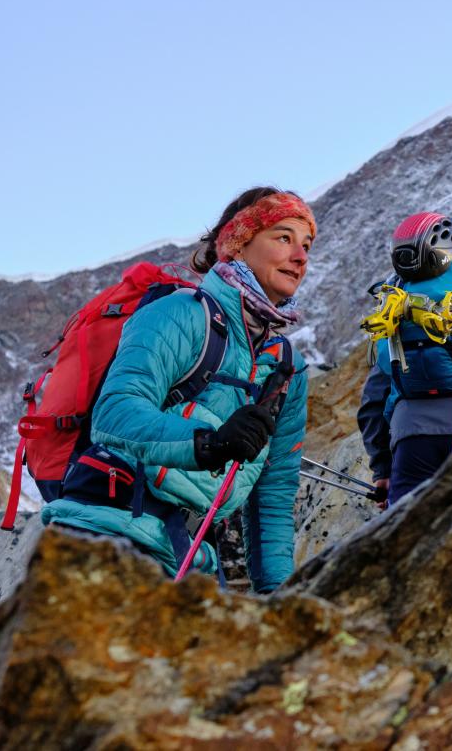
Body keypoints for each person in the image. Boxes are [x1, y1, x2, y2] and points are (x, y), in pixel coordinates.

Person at [41, 187, 314, 592]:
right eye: (284, 237)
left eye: (307, 245)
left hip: (188, 555)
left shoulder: (286, 368)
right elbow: (115, 414)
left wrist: (281, 600)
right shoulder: (180, 314)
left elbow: (273, 496)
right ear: (238, 244)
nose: (301, 256)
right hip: (107, 531)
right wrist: (210, 443)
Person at [359, 212, 452, 507]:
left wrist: (383, 469)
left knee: (408, 540)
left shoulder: (404, 285)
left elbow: (376, 393)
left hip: (412, 437)